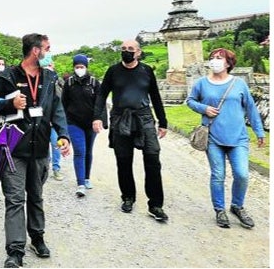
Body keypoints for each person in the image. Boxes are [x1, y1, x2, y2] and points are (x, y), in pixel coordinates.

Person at [0, 33, 71, 268]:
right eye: (47, 48)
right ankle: (15, 250)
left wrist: (63, 135)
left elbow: (57, 109)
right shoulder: (8, 76)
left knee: (36, 196)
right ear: (36, 51)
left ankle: (37, 238)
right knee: (15, 199)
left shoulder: (51, 77)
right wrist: (8, 104)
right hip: (14, 149)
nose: (49, 52)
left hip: (40, 148)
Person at [186, 48, 265, 229]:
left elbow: (251, 109)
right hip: (213, 137)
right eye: (212, 58)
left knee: (242, 174)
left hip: (238, 138)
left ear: (228, 63)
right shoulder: (202, 83)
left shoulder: (239, 84)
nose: (215, 60)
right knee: (218, 175)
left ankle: (237, 206)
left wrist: (259, 132)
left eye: (219, 58)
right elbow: (190, 101)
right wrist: (203, 108)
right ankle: (219, 209)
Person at [92, 39, 169, 222]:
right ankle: (128, 197)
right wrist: (97, 117)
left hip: (144, 118)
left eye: (130, 49)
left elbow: (155, 97)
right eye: (124, 49)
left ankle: (155, 204)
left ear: (139, 52)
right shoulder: (113, 71)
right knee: (124, 160)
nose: (127, 51)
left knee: (152, 158)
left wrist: (163, 121)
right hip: (121, 118)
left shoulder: (146, 71)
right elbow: (102, 95)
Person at [62, 54, 107, 197]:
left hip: (91, 123)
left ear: (86, 67)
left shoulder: (94, 83)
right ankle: (80, 183)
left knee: (88, 151)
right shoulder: (69, 83)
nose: (79, 69)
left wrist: (100, 120)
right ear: (74, 67)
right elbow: (63, 104)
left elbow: (100, 103)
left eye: (82, 67)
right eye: (77, 67)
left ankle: (87, 177)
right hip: (74, 122)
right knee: (80, 151)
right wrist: (62, 122)